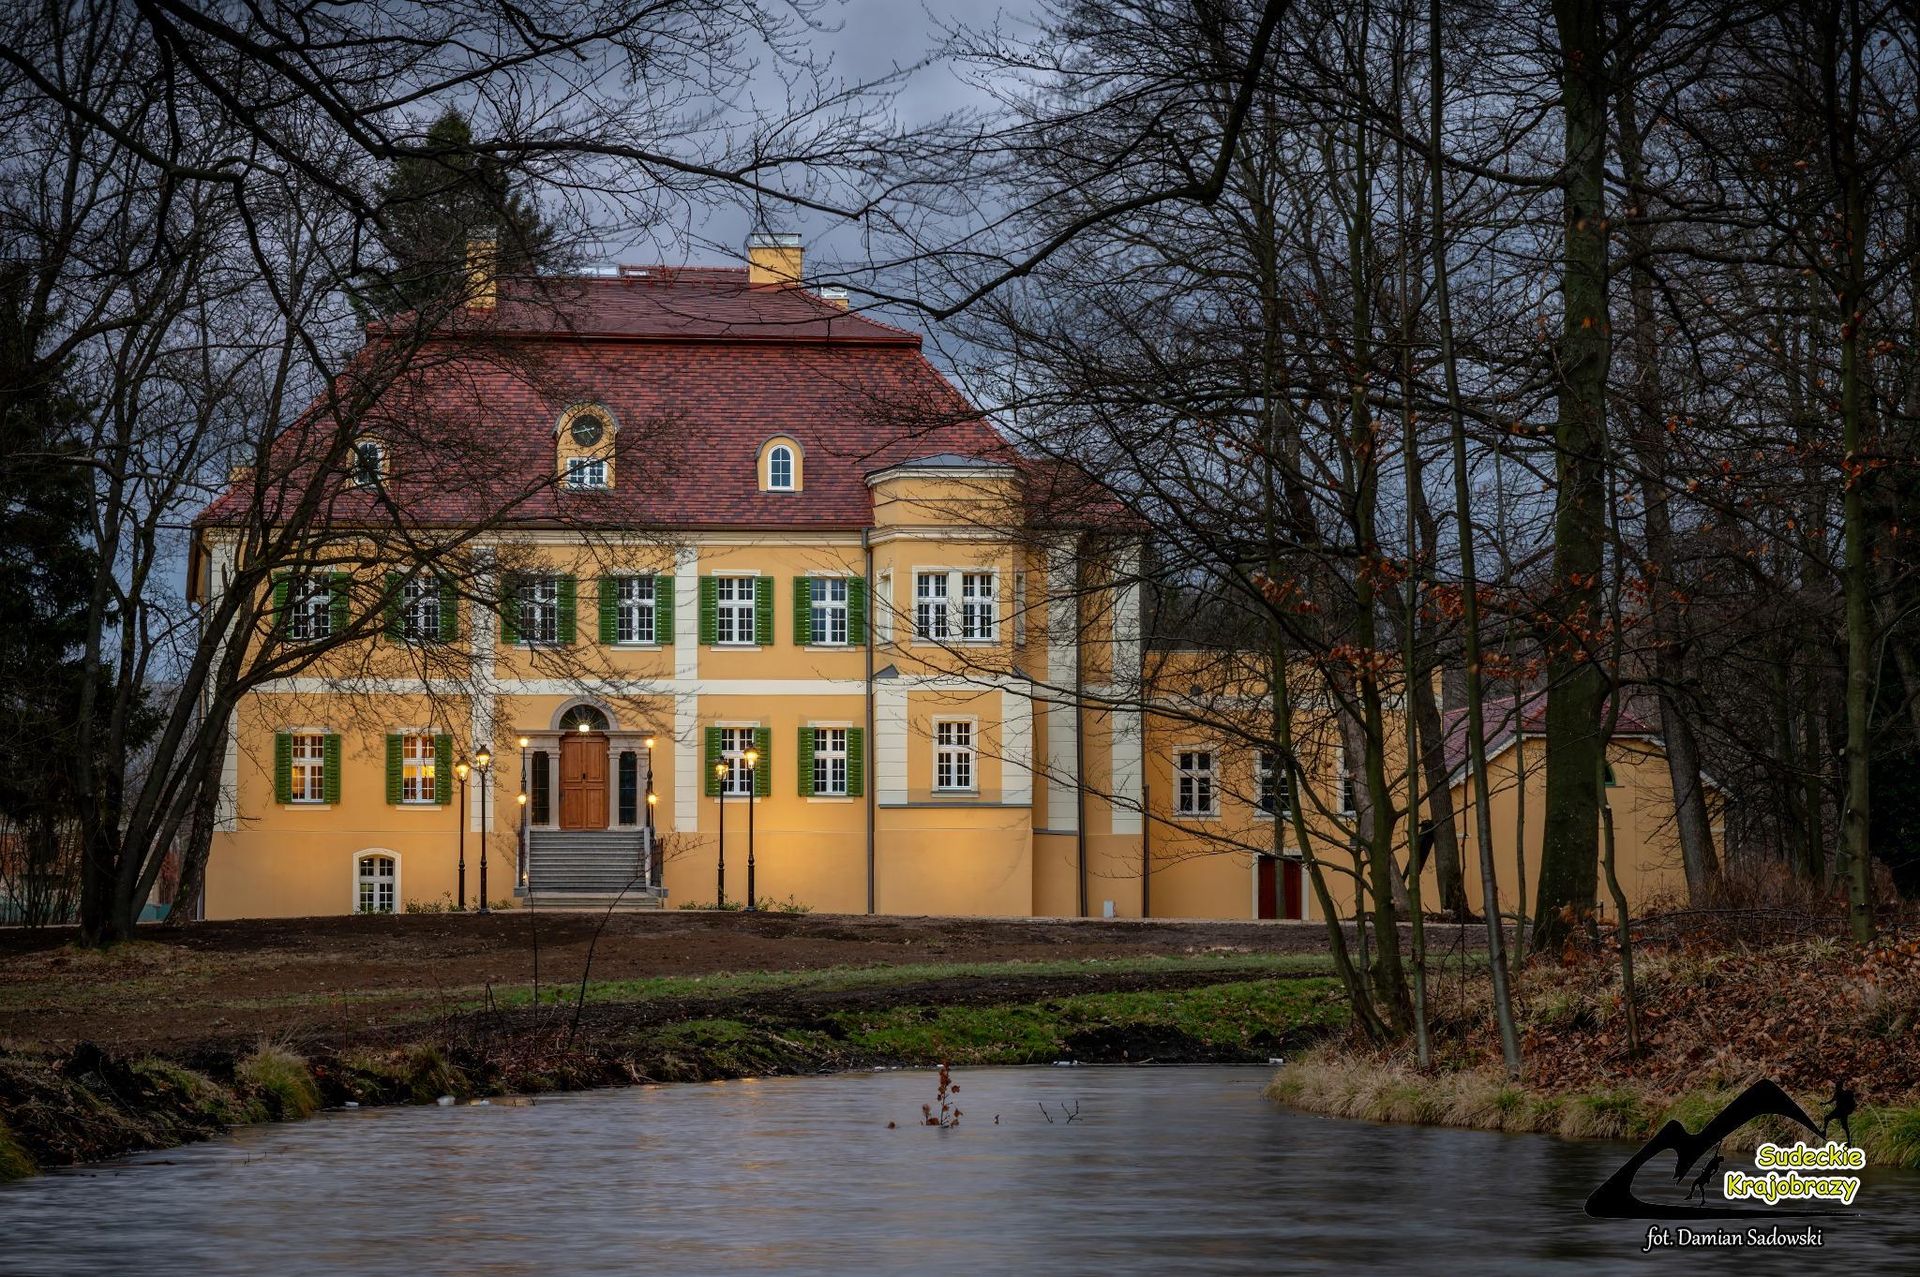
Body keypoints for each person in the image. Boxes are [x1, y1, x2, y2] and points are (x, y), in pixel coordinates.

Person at [1820, 1080, 1856, 1146]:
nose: (1836, 1087)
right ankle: (1849, 1142)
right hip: (1843, 1112)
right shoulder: (1841, 1093)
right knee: (1845, 1127)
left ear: (1839, 1086)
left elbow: (1832, 1100)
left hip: (1839, 1111)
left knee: (1827, 1118)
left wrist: (1824, 1103)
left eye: (1837, 1086)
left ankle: (1824, 1132)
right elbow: (1832, 1100)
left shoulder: (1840, 1093)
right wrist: (1824, 1103)